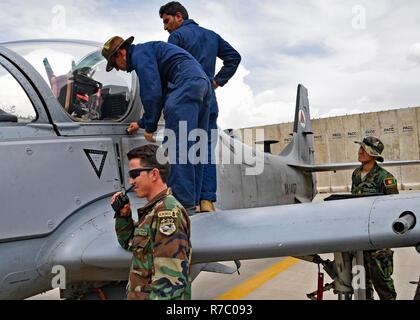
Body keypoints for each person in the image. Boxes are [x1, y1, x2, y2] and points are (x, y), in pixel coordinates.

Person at [102, 36, 211, 213]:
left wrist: (150, 127)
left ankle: (182, 207)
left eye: (115, 65)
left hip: (184, 84)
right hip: (201, 85)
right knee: (195, 147)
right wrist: (142, 122)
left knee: (178, 148)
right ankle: (194, 202)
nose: (119, 69)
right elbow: (159, 92)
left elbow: (152, 93)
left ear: (121, 53)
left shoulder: (139, 55)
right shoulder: (151, 51)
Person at [159, 2, 242, 212]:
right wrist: (216, 81)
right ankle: (206, 200)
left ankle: (187, 202)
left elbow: (170, 69)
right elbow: (234, 57)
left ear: (179, 16)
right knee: (205, 148)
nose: (165, 27)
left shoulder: (177, 37)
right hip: (209, 97)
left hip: (186, 97)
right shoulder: (211, 35)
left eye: (167, 21)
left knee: (182, 148)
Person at [111, 144, 192, 300]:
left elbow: (170, 283)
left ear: (154, 174)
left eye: (134, 174)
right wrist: (123, 216)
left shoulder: (166, 213)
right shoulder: (153, 210)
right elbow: (131, 244)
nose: (131, 181)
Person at [351, 136, 398, 300]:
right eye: (360, 148)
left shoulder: (385, 178)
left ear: (374, 155)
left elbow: (393, 210)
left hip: (379, 243)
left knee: (383, 286)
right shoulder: (356, 174)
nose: (360, 151)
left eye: (364, 150)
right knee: (362, 287)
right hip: (359, 240)